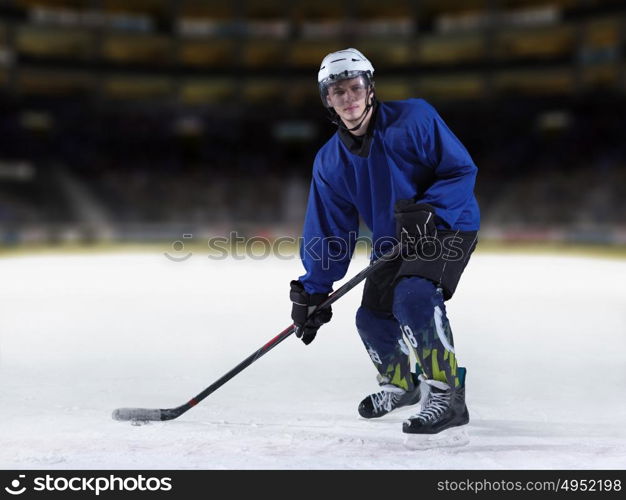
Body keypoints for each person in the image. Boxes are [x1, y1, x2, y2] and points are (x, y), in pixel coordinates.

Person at [289, 48, 479, 444]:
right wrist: (314, 289)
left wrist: (433, 210)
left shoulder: (415, 119)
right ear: (327, 99)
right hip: (394, 241)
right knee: (371, 319)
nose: (349, 98)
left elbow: (460, 169)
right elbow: (329, 230)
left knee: (413, 296)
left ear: (370, 88)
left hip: (446, 224)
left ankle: (447, 394)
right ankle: (403, 384)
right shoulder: (329, 162)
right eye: (337, 91)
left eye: (355, 87)